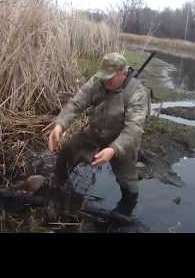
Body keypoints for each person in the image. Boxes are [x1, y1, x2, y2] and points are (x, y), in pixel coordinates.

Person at [48, 52, 149, 216]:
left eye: (111, 78)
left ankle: (124, 211)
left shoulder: (137, 92)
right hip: (95, 132)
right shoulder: (98, 80)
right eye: (104, 76)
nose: (105, 81)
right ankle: (58, 188)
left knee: (128, 183)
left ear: (123, 73)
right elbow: (77, 103)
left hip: (122, 139)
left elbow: (134, 128)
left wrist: (114, 149)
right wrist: (60, 125)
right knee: (67, 151)